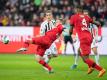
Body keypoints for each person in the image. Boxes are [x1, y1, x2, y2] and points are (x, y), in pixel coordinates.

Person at [70, 6, 106, 77]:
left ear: (77, 10)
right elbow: (97, 23)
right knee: (79, 51)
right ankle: (90, 67)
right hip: (89, 37)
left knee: (86, 59)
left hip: (83, 38)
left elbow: (71, 29)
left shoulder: (74, 17)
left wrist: (70, 33)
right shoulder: (86, 17)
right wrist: (99, 24)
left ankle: (101, 69)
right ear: (82, 11)